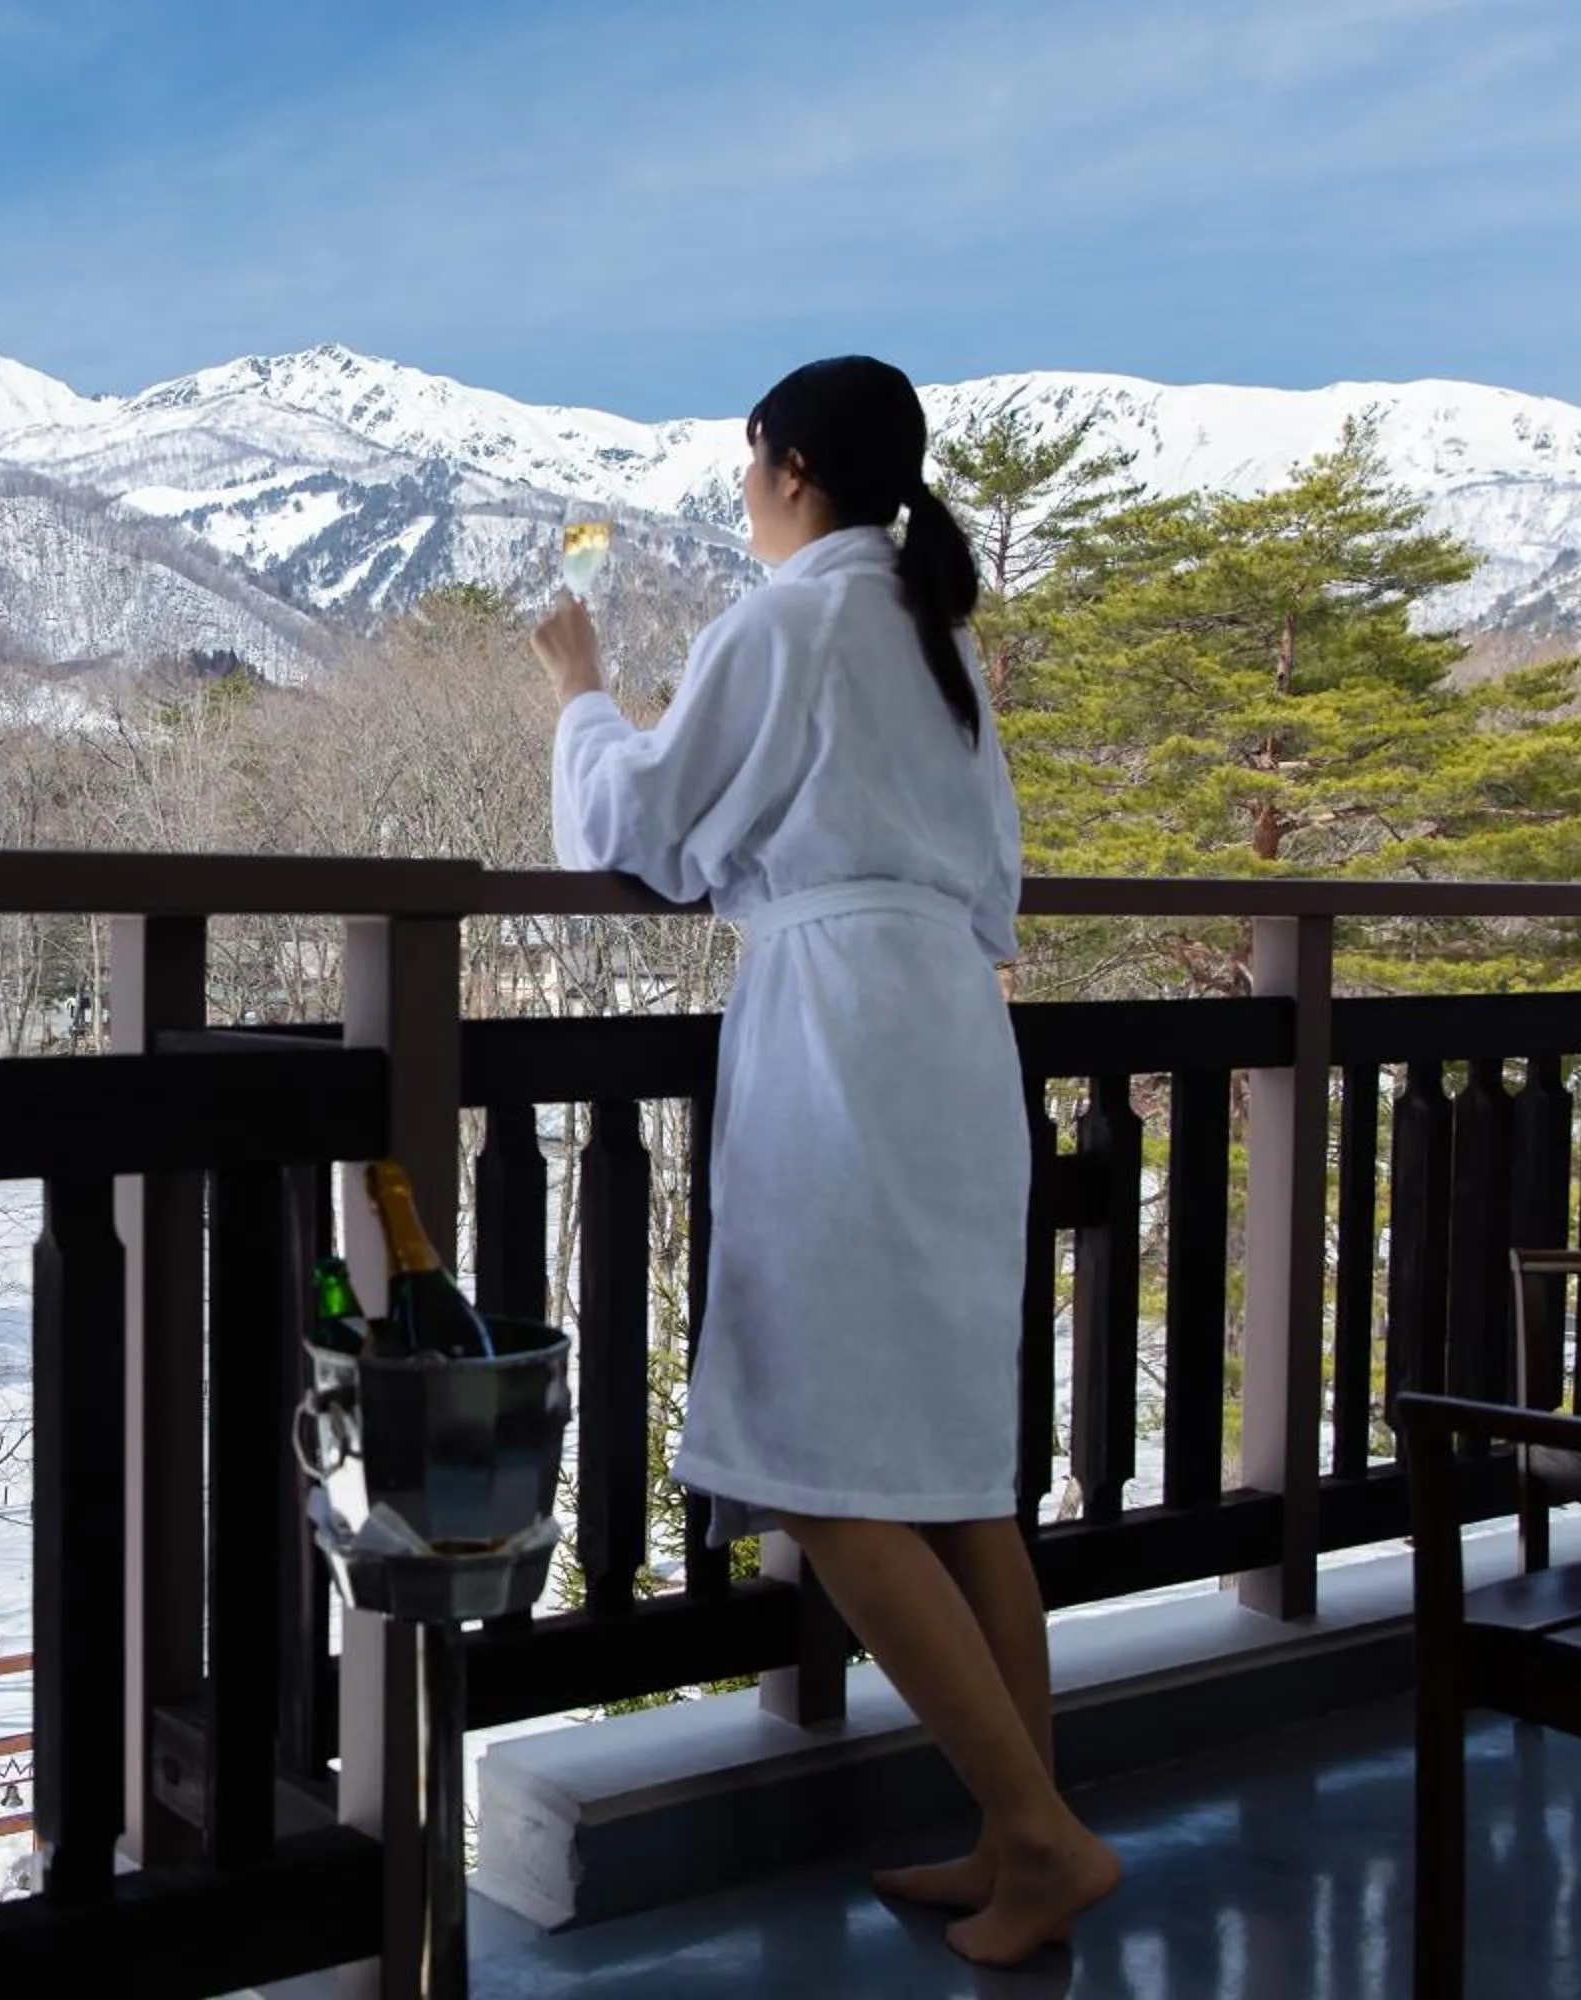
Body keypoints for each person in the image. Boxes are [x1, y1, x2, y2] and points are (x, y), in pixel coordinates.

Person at [530, 355, 1120, 1966]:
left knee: (828, 1467)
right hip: (947, 1034)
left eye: (747, 468)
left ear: (789, 469)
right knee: (952, 1474)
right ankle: (1022, 1836)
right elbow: (992, 877)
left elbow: (641, 824)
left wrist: (581, 687)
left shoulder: (792, 621)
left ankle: (1045, 1838)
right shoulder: (935, 642)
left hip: (843, 1042)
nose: (743, 496)